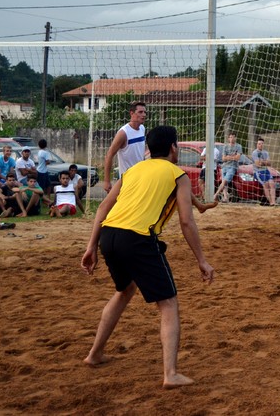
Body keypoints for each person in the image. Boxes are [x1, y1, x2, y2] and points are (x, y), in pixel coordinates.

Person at [81, 125, 215, 389]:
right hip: (138, 239)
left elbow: (103, 208)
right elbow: (186, 222)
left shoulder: (132, 171)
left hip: (110, 236)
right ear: (174, 148)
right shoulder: (179, 175)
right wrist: (202, 259)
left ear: (147, 149)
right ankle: (171, 374)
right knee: (168, 303)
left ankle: (94, 354)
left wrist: (91, 246)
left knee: (124, 290)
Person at [103, 101, 147, 193]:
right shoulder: (123, 133)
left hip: (141, 176)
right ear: (131, 113)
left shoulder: (142, 129)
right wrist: (107, 181)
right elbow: (109, 155)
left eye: (145, 112)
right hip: (127, 179)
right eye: (140, 112)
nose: (144, 115)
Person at [214, 133, 242, 203]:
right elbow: (223, 158)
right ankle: (225, 198)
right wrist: (232, 157)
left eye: (233, 137)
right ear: (228, 138)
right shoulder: (225, 146)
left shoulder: (238, 146)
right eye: (230, 137)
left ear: (235, 138)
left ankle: (215, 194)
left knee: (225, 181)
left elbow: (237, 158)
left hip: (232, 166)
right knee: (224, 183)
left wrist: (228, 157)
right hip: (224, 166)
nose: (231, 139)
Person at [252, 137, 277, 206]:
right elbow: (258, 164)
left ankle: (274, 202)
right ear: (257, 144)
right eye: (259, 144)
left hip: (266, 171)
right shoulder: (255, 153)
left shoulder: (266, 152)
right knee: (265, 185)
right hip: (258, 172)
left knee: (272, 184)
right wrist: (265, 162)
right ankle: (270, 202)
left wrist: (262, 162)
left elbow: (269, 163)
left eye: (262, 144)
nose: (260, 145)